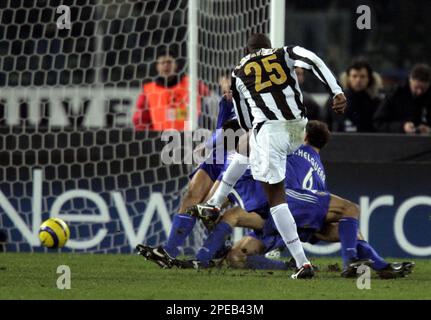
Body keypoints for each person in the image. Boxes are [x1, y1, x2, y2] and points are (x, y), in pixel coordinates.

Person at [193, 34, 346, 279]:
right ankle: (213, 203)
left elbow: (244, 118)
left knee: (276, 198)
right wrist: (336, 91)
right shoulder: (284, 52)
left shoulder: (239, 70)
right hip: (297, 129)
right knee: (248, 143)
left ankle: (302, 263)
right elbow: (313, 59)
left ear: (247, 50)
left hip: (270, 132)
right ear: (268, 47)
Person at [132, 50, 209, 131]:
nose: (166, 65)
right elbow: (139, 119)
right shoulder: (149, 90)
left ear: (175, 65)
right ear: (157, 66)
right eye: (162, 63)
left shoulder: (192, 84)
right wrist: (151, 136)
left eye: (169, 62)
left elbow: (210, 101)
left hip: (189, 138)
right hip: (160, 140)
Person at [326, 60, 382, 132]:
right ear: (348, 78)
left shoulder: (375, 102)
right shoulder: (336, 99)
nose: (358, 80)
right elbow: (326, 122)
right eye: (354, 76)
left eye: (362, 76)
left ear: (369, 79)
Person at [373, 64, 431, 134]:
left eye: (424, 89)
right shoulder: (395, 94)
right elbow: (378, 123)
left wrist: (429, 129)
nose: (419, 92)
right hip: (398, 140)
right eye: (416, 87)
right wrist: (402, 127)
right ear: (410, 80)